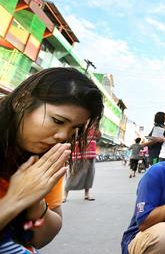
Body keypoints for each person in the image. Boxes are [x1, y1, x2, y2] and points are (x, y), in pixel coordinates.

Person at [0, 67, 103, 252]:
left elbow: (40, 239)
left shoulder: (47, 158)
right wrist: (15, 199)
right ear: (22, 101)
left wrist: (35, 202)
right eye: (57, 121)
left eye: (75, 128)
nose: (64, 135)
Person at [63, 125, 101, 202]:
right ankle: (64, 195)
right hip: (78, 153)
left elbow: (99, 136)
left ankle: (87, 194)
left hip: (90, 153)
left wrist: (97, 127)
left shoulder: (94, 126)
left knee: (89, 175)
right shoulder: (78, 124)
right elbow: (70, 136)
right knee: (73, 174)